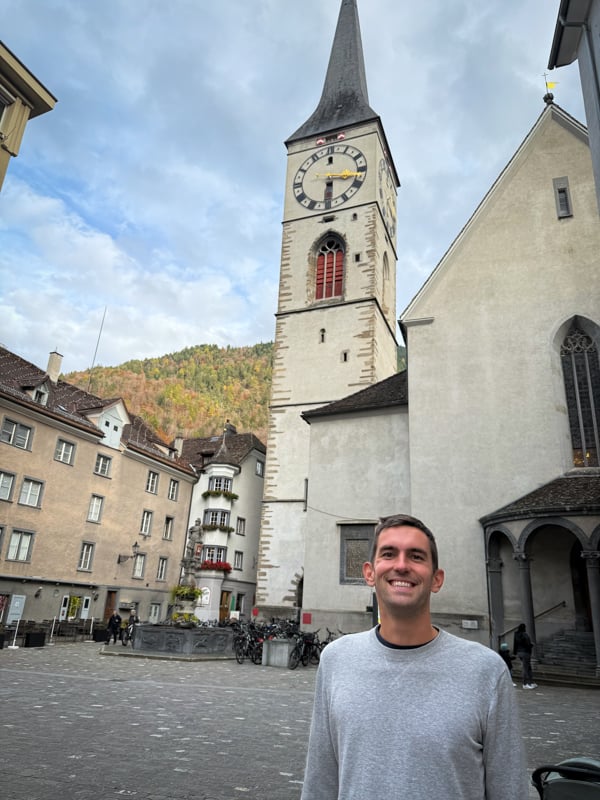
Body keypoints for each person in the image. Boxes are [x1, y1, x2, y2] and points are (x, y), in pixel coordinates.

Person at [300, 513, 528, 800]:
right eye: (389, 553)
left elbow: (510, 790)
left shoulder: (485, 670)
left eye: (416, 556)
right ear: (369, 573)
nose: (401, 565)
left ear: (436, 579)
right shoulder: (336, 660)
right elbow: (320, 782)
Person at [513, 622, 537, 689]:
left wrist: (515, 653)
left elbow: (515, 644)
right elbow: (528, 644)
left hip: (519, 652)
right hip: (526, 653)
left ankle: (531, 682)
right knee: (526, 668)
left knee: (528, 667)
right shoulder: (525, 634)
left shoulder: (516, 634)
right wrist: (531, 645)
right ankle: (525, 683)